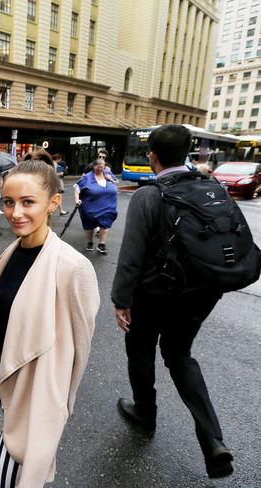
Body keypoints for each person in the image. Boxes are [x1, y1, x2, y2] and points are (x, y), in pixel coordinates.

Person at [111, 124, 234, 479]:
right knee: (180, 356)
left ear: (152, 156)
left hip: (154, 294)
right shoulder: (212, 188)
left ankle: (145, 413)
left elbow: (131, 257)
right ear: (188, 154)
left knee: (140, 349)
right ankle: (212, 439)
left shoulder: (149, 197)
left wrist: (121, 299)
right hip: (202, 292)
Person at [0, 157, 99, 487]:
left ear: (53, 203)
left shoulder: (73, 268)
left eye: (28, 202)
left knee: (9, 475)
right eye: (9, 202)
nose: (16, 213)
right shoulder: (13, 250)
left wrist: (59, 405)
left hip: (33, 388)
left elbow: (80, 351)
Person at [74, 158, 118, 254]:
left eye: (102, 168)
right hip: (90, 204)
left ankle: (102, 244)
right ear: (93, 167)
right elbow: (77, 188)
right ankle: (90, 242)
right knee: (89, 224)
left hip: (108, 205)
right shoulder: (87, 177)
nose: (100, 170)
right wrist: (77, 200)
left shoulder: (107, 174)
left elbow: (116, 182)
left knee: (106, 222)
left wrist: (111, 179)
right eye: (98, 167)